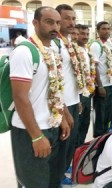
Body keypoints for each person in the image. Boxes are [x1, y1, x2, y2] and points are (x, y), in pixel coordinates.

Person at [9, 6, 70, 187]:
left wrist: (63, 116)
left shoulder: (52, 50)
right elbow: (20, 97)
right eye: (49, 22)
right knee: (34, 182)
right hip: (30, 130)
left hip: (53, 126)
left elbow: (56, 88)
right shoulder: (24, 51)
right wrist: (36, 136)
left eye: (58, 23)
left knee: (52, 180)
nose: (55, 27)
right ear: (35, 23)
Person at [52, 4, 84, 185]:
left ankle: (64, 169)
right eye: (67, 18)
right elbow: (54, 80)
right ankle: (58, 175)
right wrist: (63, 109)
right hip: (60, 105)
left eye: (74, 19)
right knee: (62, 142)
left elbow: (71, 76)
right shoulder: (55, 45)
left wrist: (77, 98)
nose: (72, 22)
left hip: (73, 100)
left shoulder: (69, 44)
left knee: (71, 141)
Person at [90, 21, 112, 137]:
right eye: (103, 29)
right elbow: (94, 66)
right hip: (102, 86)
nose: (106, 31)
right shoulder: (96, 45)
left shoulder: (109, 44)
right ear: (98, 31)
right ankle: (98, 137)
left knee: (109, 112)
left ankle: (105, 135)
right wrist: (99, 85)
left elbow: (111, 65)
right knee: (101, 113)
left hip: (110, 84)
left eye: (108, 29)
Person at [76, 24, 96, 146]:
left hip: (87, 92)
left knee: (85, 122)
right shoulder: (72, 51)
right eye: (82, 34)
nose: (85, 36)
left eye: (87, 34)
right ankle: (74, 150)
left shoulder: (87, 49)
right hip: (77, 94)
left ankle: (80, 148)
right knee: (77, 124)